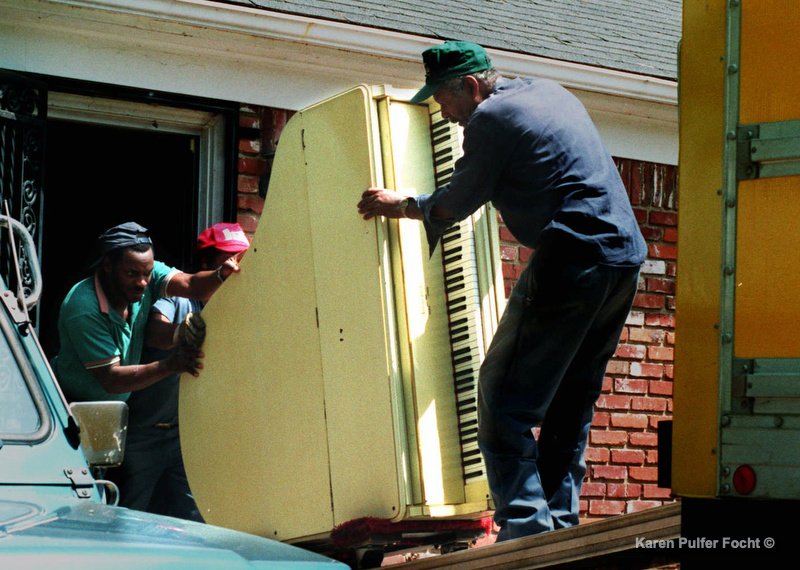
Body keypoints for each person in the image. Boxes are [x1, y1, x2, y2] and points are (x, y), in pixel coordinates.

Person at [357, 40, 646, 541]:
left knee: (500, 400)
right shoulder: (548, 91)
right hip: (622, 262)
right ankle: (559, 526)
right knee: (570, 401)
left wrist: (402, 204)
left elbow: (456, 202)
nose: (446, 116)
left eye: (445, 102)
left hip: (573, 256)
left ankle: (526, 530)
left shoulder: (492, 117)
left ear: (470, 87)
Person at [108, 222, 250, 522]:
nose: (235, 269)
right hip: (144, 433)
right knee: (127, 519)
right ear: (207, 264)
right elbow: (155, 332)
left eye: (241, 260)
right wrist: (178, 334)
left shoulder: (242, 307)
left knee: (199, 519)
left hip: (189, 439)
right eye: (227, 261)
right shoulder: (179, 298)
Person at [53, 220, 240, 404]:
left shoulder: (146, 272)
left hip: (113, 408)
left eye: (147, 273)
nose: (142, 282)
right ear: (108, 265)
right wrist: (171, 364)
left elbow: (191, 284)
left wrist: (221, 275)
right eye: (131, 274)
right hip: (68, 406)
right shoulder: (83, 308)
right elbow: (112, 379)